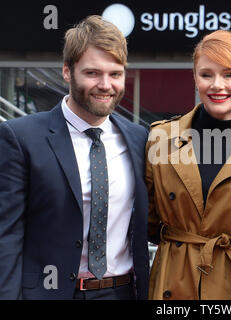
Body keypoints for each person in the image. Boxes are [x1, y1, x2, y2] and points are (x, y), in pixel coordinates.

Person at [0, 15, 149, 300]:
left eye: (115, 74)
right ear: (67, 71)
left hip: (123, 293)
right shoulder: (19, 138)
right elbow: (5, 236)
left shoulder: (138, 138)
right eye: (92, 73)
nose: (105, 85)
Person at [146, 30, 231, 300]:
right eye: (206, 74)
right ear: (195, 79)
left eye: (229, 74)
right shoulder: (160, 138)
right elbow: (147, 220)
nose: (217, 85)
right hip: (173, 281)